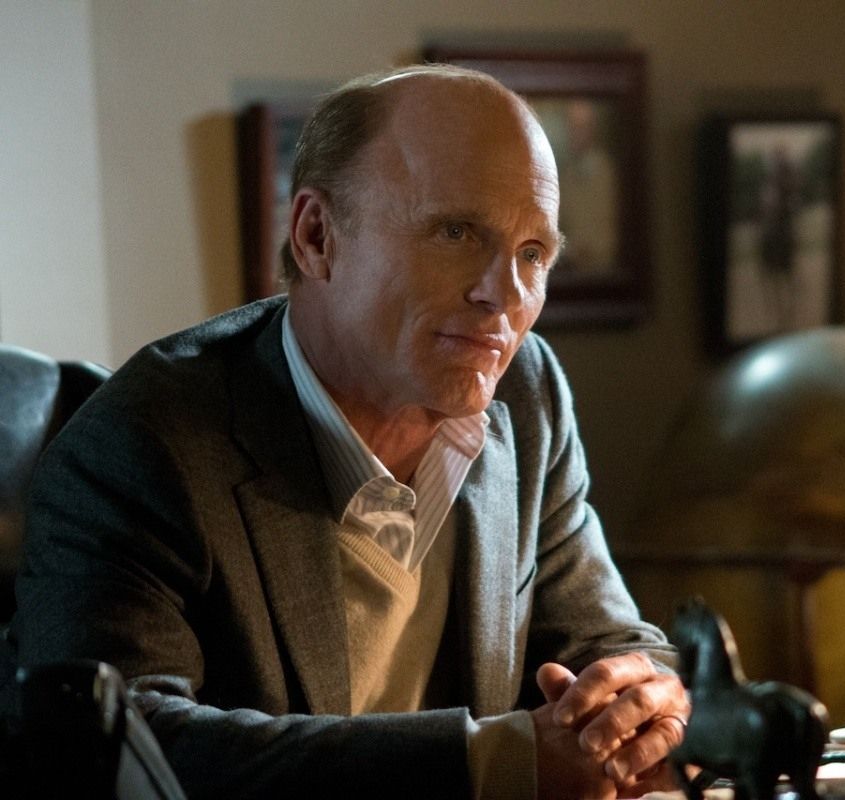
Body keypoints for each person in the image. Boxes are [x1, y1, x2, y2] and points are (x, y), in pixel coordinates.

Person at [10, 64, 689, 798]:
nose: (504, 295)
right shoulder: (142, 443)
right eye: (456, 232)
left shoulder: (527, 392)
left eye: (532, 254)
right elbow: (123, 749)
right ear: (316, 236)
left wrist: (644, 705)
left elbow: (608, 642)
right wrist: (493, 763)